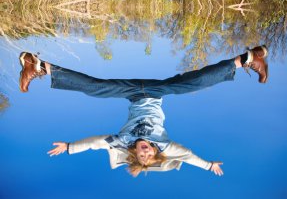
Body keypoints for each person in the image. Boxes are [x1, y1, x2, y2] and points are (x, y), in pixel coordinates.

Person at [18, 45, 268, 176]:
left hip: (131, 93)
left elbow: (96, 143)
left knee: (95, 88)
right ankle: (248, 58)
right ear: (155, 152)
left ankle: (37, 65)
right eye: (150, 156)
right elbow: (187, 156)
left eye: (141, 157)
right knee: (194, 83)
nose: (146, 153)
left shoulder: (121, 141)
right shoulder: (164, 145)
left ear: (134, 152)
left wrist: (70, 147)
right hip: (158, 92)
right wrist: (208, 165)